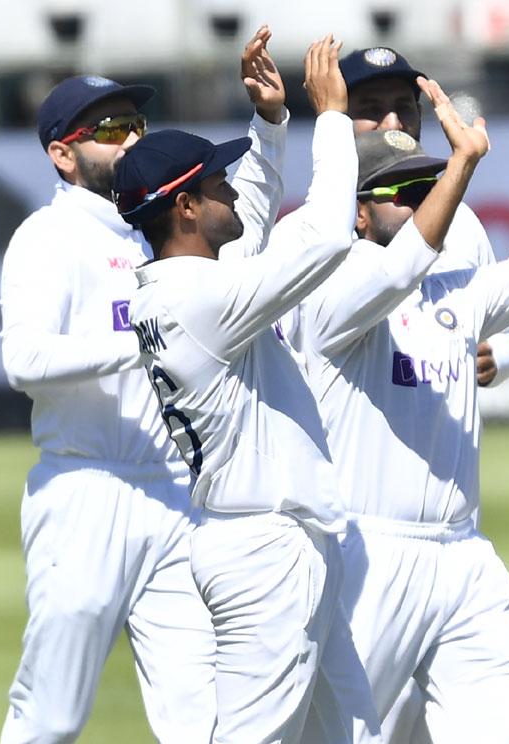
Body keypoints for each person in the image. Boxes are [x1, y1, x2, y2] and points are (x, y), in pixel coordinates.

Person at [296, 71, 509, 743]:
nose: (418, 202)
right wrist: (460, 167)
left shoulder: (455, 291)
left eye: (423, 187)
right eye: (398, 192)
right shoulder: (329, 292)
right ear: (354, 211)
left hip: (464, 559)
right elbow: (398, 269)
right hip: (364, 557)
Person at [0, 26, 284, 743]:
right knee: (52, 716)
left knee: (201, 718)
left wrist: (270, 125)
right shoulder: (47, 236)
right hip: (86, 489)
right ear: (62, 154)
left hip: (174, 496)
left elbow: (252, 228)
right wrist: (141, 339)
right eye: (106, 128)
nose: (127, 138)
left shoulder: (157, 227)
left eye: (134, 123)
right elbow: (24, 362)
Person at [116, 36, 383, 743]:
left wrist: (270, 125)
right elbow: (323, 238)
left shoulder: (182, 284)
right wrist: (330, 116)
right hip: (265, 550)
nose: (231, 189)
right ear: (184, 210)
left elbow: (250, 222)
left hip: (272, 537)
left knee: (358, 734)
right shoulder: (199, 300)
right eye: (216, 184)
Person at [340, 46, 509, 389]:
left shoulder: (462, 221)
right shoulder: (317, 226)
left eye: (404, 108)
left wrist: (497, 357)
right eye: (371, 110)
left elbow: (502, 331)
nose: (392, 123)